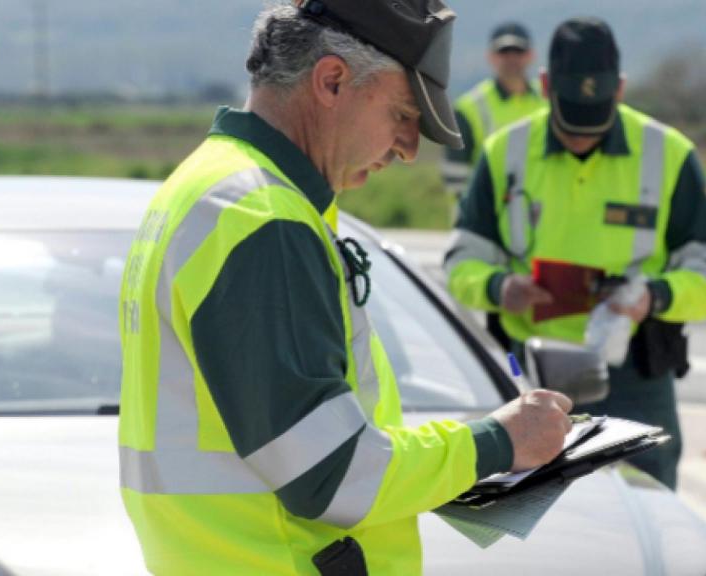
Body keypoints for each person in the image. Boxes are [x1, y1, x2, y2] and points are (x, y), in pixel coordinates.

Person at [117, 1, 573, 574]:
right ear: (332, 81)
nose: (408, 149)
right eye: (404, 114)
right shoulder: (263, 218)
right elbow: (331, 475)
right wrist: (498, 443)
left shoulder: (209, 186)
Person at [443, 17, 706, 491]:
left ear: (619, 90)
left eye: (594, 117)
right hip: (526, 371)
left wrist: (654, 297)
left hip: (635, 372)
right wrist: (499, 287)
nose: (581, 136)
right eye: (571, 116)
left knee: (649, 506)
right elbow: (460, 261)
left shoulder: (668, 154)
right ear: (544, 86)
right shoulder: (504, 153)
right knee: (530, 512)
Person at [440, 22, 546, 199]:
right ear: (491, 56)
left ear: (531, 55)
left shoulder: (547, 99)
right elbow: (455, 178)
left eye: (518, 52)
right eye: (504, 52)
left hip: (538, 215)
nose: (511, 58)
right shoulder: (468, 108)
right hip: (486, 218)